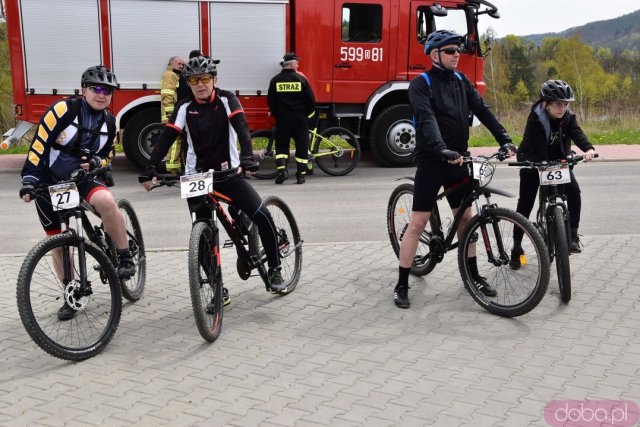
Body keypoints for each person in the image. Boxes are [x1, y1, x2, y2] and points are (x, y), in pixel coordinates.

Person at [139, 56, 287, 305]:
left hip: (228, 174)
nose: (200, 84)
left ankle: (274, 269)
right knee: (202, 235)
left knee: (261, 215)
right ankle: (216, 287)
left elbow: (241, 128)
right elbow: (167, 136)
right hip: (197, 177)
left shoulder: (227, 99)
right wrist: (151, 166)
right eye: (194, 80)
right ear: (189, 83)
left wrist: (247, 158)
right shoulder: (185, 107)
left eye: (205, 79)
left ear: (214, 80)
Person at [393, 30, 516, 309]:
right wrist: (440, 149)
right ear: (435, 55)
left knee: (465, 221)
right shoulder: (421, 84)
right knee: (418, 223)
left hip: (459, 160)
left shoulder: (461, 81)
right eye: (450, 51)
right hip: (432, 161)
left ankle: (472, 275)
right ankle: (402, 283)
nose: (456, 54)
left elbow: (483, 111)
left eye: (458, 50)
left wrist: (505, 139)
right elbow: (426, 119)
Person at [19, 65, 135, 320]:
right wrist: (29, 180)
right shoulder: (63, 110)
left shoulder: (109, 122)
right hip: (50, 179)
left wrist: (98, 164)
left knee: (106, 200)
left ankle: (125, 256)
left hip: (82, 178)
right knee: (57, 241)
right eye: (96, 88)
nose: (102, 94)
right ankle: (72, 294)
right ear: (84, 90)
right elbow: (39, 144)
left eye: (108, 90)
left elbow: (108, 157)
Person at [510, 80, 595, 265]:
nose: (562, 108)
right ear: (545, 104)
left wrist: (588, 148)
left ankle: (572, 236)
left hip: (557, 162)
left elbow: (577, 133)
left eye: (566, 104)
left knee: (574, 191)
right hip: (533, 160)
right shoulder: (536, 118)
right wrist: (540, 163)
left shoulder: (568, 118)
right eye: (557, 104)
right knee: (525, 203)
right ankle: (516, 246)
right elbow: (537, 145)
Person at [267, 52, 316, 184]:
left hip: (283, 119)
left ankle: (282, 171)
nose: (298, 64)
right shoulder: (301, 80)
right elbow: (311, 101)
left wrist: (278, 114)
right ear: (292, 63)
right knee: (302, 145)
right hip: (300, 119)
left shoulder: (275, 80)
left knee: (282, 145)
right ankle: (301, 175)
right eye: (297, 62)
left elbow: (271, 102)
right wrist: (306, 115)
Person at [161, 56, 186, 174]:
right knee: (175, 140)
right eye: (179, 64)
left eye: (183, 64)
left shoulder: (175, 75)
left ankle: (176, 165)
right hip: (170, 114)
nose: (181, 66)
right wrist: (171, 113)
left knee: (178, 139)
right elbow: (167, 94)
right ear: (171, 64)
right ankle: (173, 168)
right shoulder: (170, 75)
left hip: (172, 113)